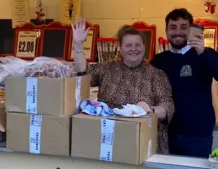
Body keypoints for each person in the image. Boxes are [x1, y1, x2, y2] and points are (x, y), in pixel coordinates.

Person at [73, 20, 174, 154]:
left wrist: (151, 109)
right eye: (128, 45)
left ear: (144, 47)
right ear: (120, 48)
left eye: (138, 45)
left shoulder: (156, 75)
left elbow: (168, 107)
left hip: (142, 145)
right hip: (109, 141)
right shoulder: (106, 68)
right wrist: (78, 44)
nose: (133, 49)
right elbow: (82, 73)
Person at [150, 8, 218, 158]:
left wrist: (204, 53)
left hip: (198, 135)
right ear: (166, 30)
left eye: (183, 27)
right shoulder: (158, 60)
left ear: (190, 29)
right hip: (166, 133)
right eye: (173, 27)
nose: (178, 32)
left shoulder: (204, 54)